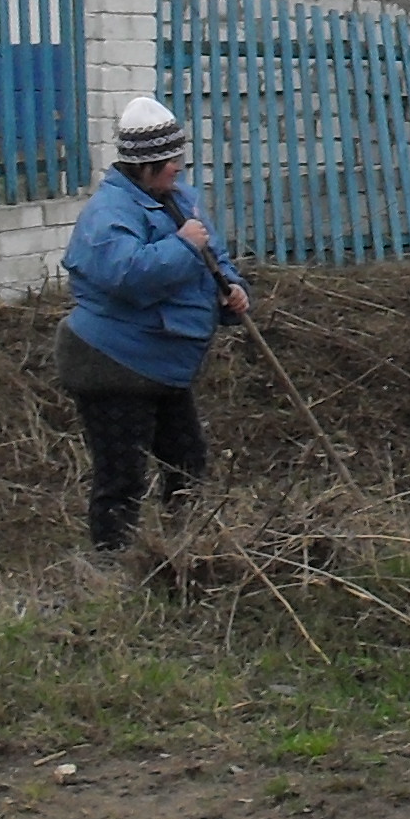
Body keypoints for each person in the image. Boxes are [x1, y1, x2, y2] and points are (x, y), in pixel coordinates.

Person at [56, 95, 250, 557]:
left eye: (179, 159)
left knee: (185, 461)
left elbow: (213, 259)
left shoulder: (179, 202)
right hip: (110, 362)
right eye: (169, 161)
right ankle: (111, 564)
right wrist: (184, 248)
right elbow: (128, 276)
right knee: (122, 473)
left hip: (162, 361)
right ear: (143, 165)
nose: (178, 169)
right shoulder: (108, 214)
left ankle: (185, 551)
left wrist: (232, 292)